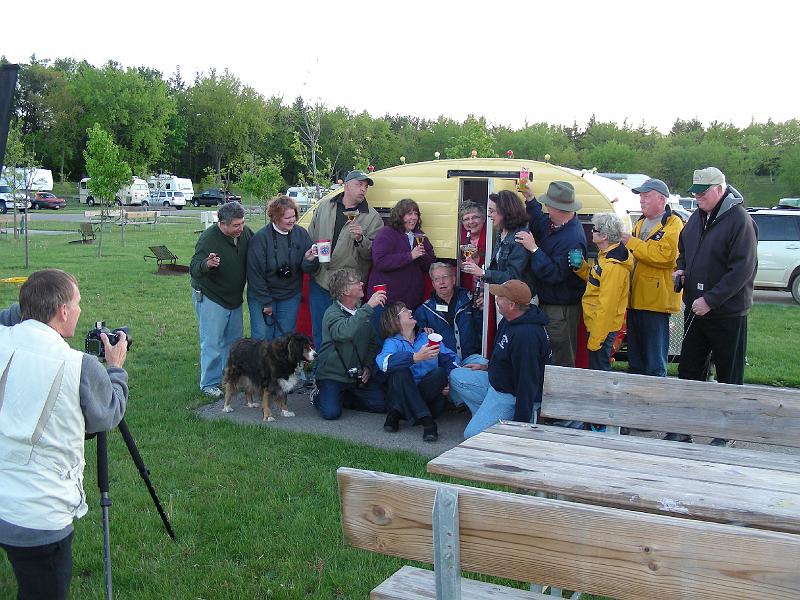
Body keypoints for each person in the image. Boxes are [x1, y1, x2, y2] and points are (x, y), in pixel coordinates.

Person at [0, 269, 128, 600]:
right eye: (78, 303)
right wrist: (115, 369)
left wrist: (32, 303)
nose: (81, 310)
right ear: (62, 311)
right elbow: (107, 415)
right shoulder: (81, 365)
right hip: (39, 513)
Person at [671, 167, 758, 446]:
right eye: (694, 192)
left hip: (728, 313)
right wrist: (682, 269)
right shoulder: (696, 217)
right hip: (695, 309)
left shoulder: (739, 221)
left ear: (720, 190)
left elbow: (742, 269)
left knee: (728, 374)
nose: (697, 197)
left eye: (703, 192)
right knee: (689, 370)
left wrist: (711, 299)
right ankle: (683, 427)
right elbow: (684, 250)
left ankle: (727, 433)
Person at [449, 280, 551, 438]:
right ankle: (490, 418)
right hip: (498, 382)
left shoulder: (526, 336)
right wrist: (486, 366)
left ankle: (502, 422)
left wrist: (520, 423)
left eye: (501, 296)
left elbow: (527, 381)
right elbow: (504, 355)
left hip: (511, 395)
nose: (496, 298)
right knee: (456, 376)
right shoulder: (509, 319)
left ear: (512, 305)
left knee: (471, 435)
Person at [306, 170, 384, 352]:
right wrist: (310, 257)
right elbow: (311, 237)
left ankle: (347, 374)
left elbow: (373, 255)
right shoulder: (325, 206)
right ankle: (322, 375)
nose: (363, 189)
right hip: (321, 279)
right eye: (359, 184)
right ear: (346, 185)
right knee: (320, 330)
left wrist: (360, 239)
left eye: (366, 186)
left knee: (348, 333)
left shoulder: (372, 218)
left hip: (349, 286)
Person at [517, 181, 587, 367]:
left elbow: (555, 274)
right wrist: (530, 199)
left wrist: (533, 249)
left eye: (548, 204)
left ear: (557, 209)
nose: (546, 207)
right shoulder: (557, 225)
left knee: (559, 360)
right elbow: (540, 221)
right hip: (554, 307)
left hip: (560, 311)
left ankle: (559, 396)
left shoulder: (572, 239)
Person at [620, 178, 683, 377]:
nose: (642, 200)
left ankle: (656, 398)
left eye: (646, 196)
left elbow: (665, 256)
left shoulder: (674, 224)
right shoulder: (640, 222)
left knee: (655, 362)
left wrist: (631, 242)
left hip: (656, 303)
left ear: (661, 199)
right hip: (635, 300)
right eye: (641, 196)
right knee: (636, 359)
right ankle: (635, 399)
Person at [190, 201, 253, 398]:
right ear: (222, 224)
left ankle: (230, 379)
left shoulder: (246, 234)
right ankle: (208, 383)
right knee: (212, 342)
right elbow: (194, 268)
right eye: (236, 225)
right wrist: (207, 264)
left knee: (234, 343)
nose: (240, 228)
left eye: (242, 223)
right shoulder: (208, 239)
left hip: (234, 298)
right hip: (212, 296)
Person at [376, 302, 459, 441]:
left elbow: (452, 359)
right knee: (400, 372)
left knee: (439, 373)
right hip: (405, 397)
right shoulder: (392, 342)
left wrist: (450, 380)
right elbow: (383, 363)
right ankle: (427, 422)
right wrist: (414, 358)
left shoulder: (427, 337)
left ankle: (395, 415)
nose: (410, 310)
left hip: (421, 400)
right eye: (404, 310)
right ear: (395, 321)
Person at [313, 268, 387, 420]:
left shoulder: (360, 312)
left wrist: (367, 366)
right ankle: (318, 395)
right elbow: (344, 332)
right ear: (346, 291)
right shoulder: (332, 313)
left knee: (382, 405)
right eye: (356, 282)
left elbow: (372, 342)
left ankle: (342, 397)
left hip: (355, 376)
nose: (362, 284)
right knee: (331, 413)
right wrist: (368, 306)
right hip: (332, 375)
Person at [246, 195, 318, 341]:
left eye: (294, 216)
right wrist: (266, 302)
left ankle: (281, 364)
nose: (292, 220)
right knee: (262, 338)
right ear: (275, 218)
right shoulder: (261, 239)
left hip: (290, 295)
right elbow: (254, 274)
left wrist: (309, 260)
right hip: (263, 295)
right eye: (287, 218)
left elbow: (307, 268)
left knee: (284, 339)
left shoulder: (301, 234)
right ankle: (259, 364)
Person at [571, 213, 634, 371]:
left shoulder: (613, 266)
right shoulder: (605, 257)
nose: (591, 231)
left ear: (604, 235)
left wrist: (596, 340)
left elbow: (607, 307)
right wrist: (582, 268)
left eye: (594, 229)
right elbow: (596, 281)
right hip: (597, 326)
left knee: (600, 371)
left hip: (602, 330)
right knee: (597, 369)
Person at [367, 198, 435, 322]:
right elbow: (380, 261)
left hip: (410, 305)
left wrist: (422, 255)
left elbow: (430, 266)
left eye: (416, 214)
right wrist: (409, 256)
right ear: (399, 215)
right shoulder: (386, 233)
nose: (414, 217)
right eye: (409, 214)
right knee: (382, 339)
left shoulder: (420, 235)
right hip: (386, 303)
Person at [461, 190, 534, 295]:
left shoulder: (520, 236)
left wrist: (483, 272)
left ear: (504, 212)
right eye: (466, 219)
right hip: (503, 294)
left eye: (491, 211)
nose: (489, 215)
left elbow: (513, 276)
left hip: (518, 298)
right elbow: (498, 268)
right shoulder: (501, 233)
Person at [414, 262, 484, 366]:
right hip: (444, 364)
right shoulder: (424, 310)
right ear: (433, 284)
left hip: (472, 358)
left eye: (445, 277)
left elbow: (482, 330)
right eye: (437, 279)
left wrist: (482, 309)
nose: (441, 282)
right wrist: (423, 331)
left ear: (453, 279)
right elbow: (418, 342)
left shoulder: (470, 300)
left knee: (485, 369)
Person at [458, 200, 488, 295]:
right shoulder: (458, 237)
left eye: (475, 217)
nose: (471, 222)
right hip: (465, 287)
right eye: (466, 219)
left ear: (483, 219)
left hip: (486, 287)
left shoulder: (491, 235)